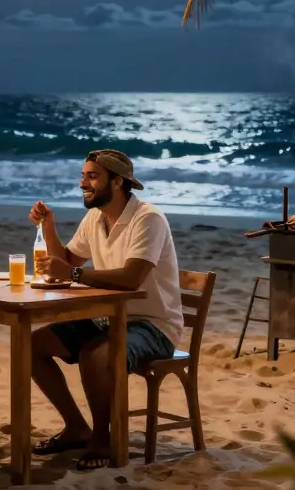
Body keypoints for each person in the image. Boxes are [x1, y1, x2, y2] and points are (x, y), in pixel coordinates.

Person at [26, 149, 183, 471]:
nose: (83, 182)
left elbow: (130, 278)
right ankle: (76, 427)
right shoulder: (95, 217)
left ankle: (101, 437)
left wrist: (70, 274)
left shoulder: (147, 218)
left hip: (154, 325)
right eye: (83, 175)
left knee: (96, 354)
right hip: (109, 317)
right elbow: (67, 261)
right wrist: (49, 226)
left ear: (118, 182)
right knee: (31, 345)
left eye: (92, 176)